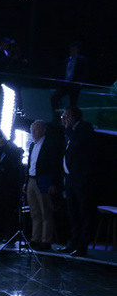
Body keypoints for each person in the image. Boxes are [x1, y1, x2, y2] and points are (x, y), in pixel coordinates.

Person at [58, 106, 97, 257]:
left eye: (66, 116)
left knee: (83, 212)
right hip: (70, 178)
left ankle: (82, 245)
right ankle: (73, 242)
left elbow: (79, 144)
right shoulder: (69, 132)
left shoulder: (84, 128)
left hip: (82, 179)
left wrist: (68, 130)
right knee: (72, 212)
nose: (63, 119)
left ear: (74, 117)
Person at [25, 120, 64, 251]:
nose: (33, 132)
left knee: (45, 211)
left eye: (36, 129)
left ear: (43, 130)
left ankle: (46, 240)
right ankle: (35, 238)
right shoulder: (32, 145)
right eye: (32, 130)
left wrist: (54, 183)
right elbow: (30, 164)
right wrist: (26, 181)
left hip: (44, 180)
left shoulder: (50, 145)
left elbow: (55, 165)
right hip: (32, 179)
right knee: (34, 212)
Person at [50, 41, 88, 121]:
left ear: (78, 50)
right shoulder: (67, 60)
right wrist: (60, 82)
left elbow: (84, 72)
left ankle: (73, 120)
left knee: (73, 104)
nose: (72, 51)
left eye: (74, 49)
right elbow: (62, 72)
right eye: (71, 49)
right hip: (65, 84)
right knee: (54, 98)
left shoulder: (82, 60)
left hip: (74, 85)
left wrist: (80, 83)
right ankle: (56, 117)